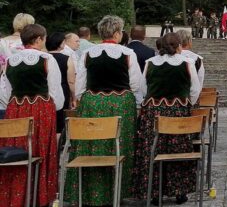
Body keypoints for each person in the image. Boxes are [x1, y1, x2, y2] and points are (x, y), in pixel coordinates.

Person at [66, 15, 145, 206]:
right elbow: (135, 84)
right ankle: (117, 192)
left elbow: (81, 84)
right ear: (117, 33)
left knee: (91, 145)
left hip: (92, 102)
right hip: (121, 103)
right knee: (119, 145)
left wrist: (85, 99)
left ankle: (91, 192)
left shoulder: (88, 53)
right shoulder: (127, 53)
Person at [132, 32, 201, 205]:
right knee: (178, 149)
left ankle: (155, 192)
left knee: (153, 150)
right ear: (179, 46)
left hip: (154, 113)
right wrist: (184, 104)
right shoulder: (187, 63)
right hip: (177, 112)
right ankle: (179, 191)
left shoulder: (150, 63)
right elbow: (195, 89)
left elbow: (142, 88)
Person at [0, 24, 63, 207]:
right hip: (42, 109)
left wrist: (16, 104)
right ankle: (39, 197)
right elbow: (55, 92)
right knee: (40, 151)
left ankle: (15, 196)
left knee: (16, 148)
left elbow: (5, 92)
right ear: (38, 39)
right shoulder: (46, 59)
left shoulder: (11, 61)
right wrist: (51, 106)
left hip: (16, 109)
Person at [47, 32, 78, 134]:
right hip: (62, 90)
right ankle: (58, 145)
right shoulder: (67, 58)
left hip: (46, 91)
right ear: (60, 44)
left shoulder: (44, 58)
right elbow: (71, 81)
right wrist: (74, 97)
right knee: (60, 120)